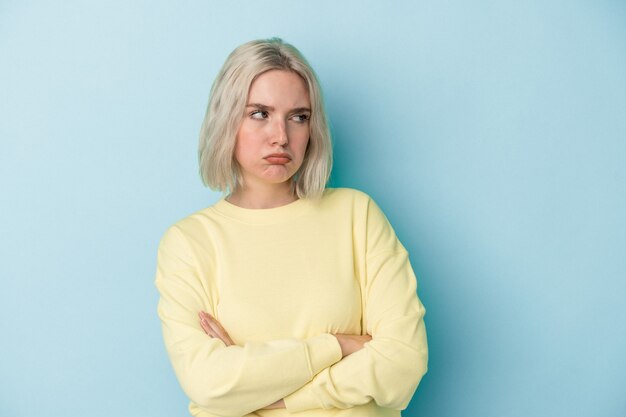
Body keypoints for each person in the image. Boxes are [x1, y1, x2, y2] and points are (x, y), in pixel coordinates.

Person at [155, 37, 428, 417]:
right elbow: (209, 384)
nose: (281, 136)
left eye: (298, 117)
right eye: (259, 114)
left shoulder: (356, 216)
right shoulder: (190, 242)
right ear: (226, 119)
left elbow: (403, 362)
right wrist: (337, 346)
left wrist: (273, 394)